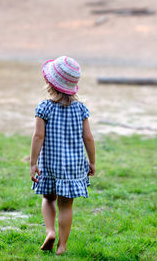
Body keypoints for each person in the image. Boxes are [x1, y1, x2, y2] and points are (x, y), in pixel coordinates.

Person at [30, 56, 96, 255]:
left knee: (48, 198)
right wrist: (92, 162)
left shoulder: (44, 108)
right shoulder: (81, 109)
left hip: (50, 163)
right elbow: (89, 138)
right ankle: (62, 246)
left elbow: (38, 136)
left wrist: (33, 163)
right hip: (74, 165)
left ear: (50, 83)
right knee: (66, 206)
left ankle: (50, 231)